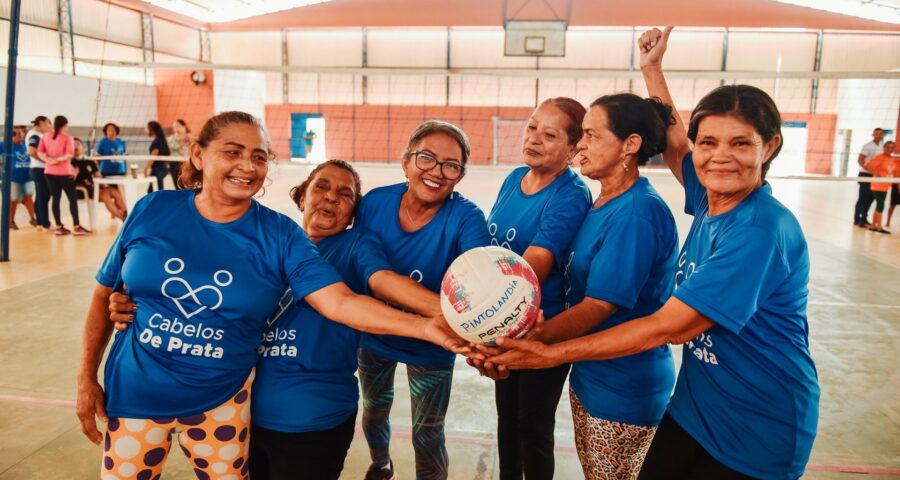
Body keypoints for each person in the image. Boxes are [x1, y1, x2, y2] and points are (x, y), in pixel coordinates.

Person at [484, 27, 820, 480]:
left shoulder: (760, 230)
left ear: (770, 146)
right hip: (695, 408)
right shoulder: (710, 198)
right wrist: (652, 69)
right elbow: (677, 143)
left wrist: (545, 352)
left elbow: (667, 327)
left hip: (757, 422)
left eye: (741, 143)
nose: (720, 157)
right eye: (710, 143)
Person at [75, 111, 466, 480]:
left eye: (259, 157)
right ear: (198, 154)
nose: (247, 166)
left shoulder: (281, 236)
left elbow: (343, 299)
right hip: (138, 395)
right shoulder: (151, 209)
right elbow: (106, 291)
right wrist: (88, 374)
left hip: (223, 404)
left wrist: (431, 325)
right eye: (233, 152)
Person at [356, 120, 491, 480]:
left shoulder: (467, 218)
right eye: (426, 158)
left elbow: (479, 283)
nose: (437, 171)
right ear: (405, 161)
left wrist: (487, 331)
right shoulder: (373, 204)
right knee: (373, 410)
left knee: (427, 431)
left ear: (459, 176)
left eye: (451, 165)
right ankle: (381, 464)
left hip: (434, 341)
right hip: (377, 334)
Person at [481, 97, 590, 480]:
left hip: (544, 328)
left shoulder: (571, 194)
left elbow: (535, 265)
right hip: (503, 323)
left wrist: (477, 305)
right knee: (507, 420)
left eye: (550, 134)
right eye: (531, 127)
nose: (534, 139)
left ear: (574, 149)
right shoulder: (514, 180)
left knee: (533, 427)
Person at [38, 115, 90, 236]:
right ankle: (76, 226)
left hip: (49, 172)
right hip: (64, 172)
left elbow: (39, 152)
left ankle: (59, 226)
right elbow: (70, 154)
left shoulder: (46, 136)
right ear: (65, 125)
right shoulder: (67, 138)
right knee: (72, 199)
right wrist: (58, 160)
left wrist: (49, 160)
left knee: (55, 199)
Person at [2, 126, 36, 229]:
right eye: (16, 133)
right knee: (14, 198)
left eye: (20, 133)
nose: (19, 135)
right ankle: (11, 221)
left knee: (29, 196)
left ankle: (33, 218)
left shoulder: (26, 146)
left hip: (27, 177)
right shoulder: (5, 145)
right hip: (13, 178)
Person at [95, 123, 128, 221]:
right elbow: (98, 157)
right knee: (111, 193)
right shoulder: (103, 142)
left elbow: (123, 155)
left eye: (113, 129)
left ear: (116, 131)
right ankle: (118, 214)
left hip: (119, 171)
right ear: (106, 132)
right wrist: (98, 169)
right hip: (106, 172)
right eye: (109, 130)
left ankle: (120, 212)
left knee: (119, 194)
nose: (111, 132)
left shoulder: (120, 141)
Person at [863, 140, 896, 234]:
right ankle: (879, 227)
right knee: (881, 205)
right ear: (884, 148)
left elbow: (891, 170)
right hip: (878, 185)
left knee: (879, 204)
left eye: (892, 147)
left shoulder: (891, 158)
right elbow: (868, 165)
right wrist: (876, 173)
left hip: (885, 185)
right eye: (888, 147)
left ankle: (873, 225)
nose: (890, 149)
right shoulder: (880, 157)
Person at [854, 127, 885, 227]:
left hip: (876, 176)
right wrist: (870, 170)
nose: (878, 135)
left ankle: (864, 219)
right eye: (876, 133)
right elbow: (860, 160)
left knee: (871, 198)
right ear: (873, 135)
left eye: (880, 133)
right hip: (865, 174)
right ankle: (857, 219)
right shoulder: (867, 146)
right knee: (862, 198)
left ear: (882, 135)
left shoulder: (882, 146)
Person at [26, 115, 52, 230]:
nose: (49, 126)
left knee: (43, 195)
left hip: (43, 168)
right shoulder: (34, 135)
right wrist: (47, 162)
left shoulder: (42, 135)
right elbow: (32, 152)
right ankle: (44, 223)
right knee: (43, 195)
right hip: (38, 169)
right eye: (48, 123)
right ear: (41, 123)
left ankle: (40, 222)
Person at [143, 121, 172, 191]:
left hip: (158, 170)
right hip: (163, 169)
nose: (145, 130)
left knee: (155, 191)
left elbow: (153, 157)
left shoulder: (156, 142)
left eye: (146, 128)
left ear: (151, 130)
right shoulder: (162, 140)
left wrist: (145, 169)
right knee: (155, 190)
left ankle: (162, 201)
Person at [168, 119, 193, 188]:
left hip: (186, 163)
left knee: (187, 184)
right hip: (174, 164)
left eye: (177, 126)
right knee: (176, 185)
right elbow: (168, 151)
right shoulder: (171, 138)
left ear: (184, 126)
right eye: (174, 127)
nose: (176, 128)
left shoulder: (190, 138)